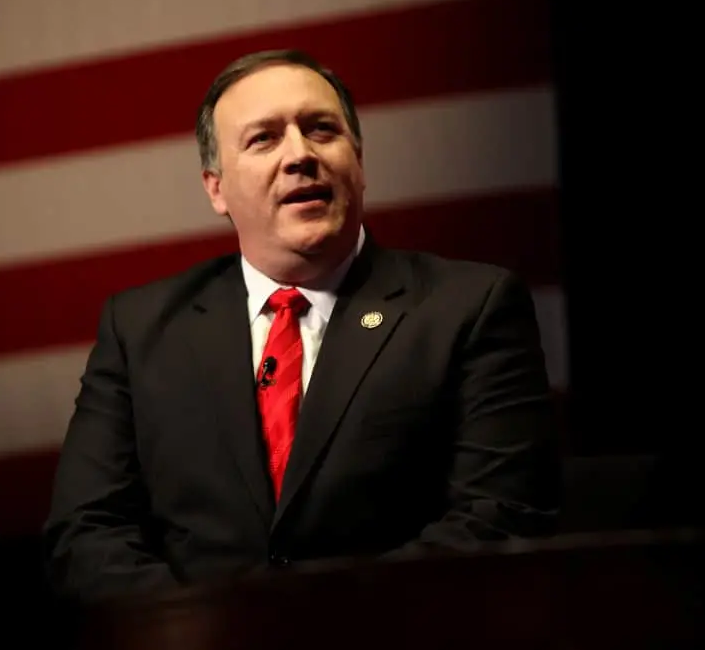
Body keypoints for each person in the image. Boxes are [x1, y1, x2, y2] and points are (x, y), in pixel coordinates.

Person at [42, 49, 561, 603]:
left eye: (321, 129)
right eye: (263, 138)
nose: (300, 155)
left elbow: (500, 520)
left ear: (358, 161)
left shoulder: (469, 306)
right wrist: (207, 633)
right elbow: (87, 534)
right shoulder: (140, 327)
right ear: (216, 188)